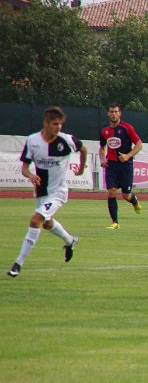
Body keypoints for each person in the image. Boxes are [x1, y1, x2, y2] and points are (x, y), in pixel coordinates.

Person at [8, 106, 87, 278]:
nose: (58, 127)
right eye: (55, 124)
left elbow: (83, 149)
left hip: (59, 191)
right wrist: (31, 176)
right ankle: (70, 241)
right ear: (45, 123)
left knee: (36, 220)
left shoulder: (66, 140)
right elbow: (24, 168)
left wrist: (81, 169)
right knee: (46, 223)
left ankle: (18, 263)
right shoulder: (33, 141)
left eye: (60, 124)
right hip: (42, 191)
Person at [99, 102, 143, 229]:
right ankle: (115, 222)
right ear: (108, 113)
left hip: (125, 166)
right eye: (111, 112)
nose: (114, 114)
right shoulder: (104, 130)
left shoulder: (127, 128)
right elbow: (102, 148)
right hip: (111, 165)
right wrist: (102, 159)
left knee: (126, 195)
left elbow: (139, 144)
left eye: (116, 112)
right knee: (112, 191)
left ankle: (134, 201)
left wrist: (128, 156)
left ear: (120, 113)